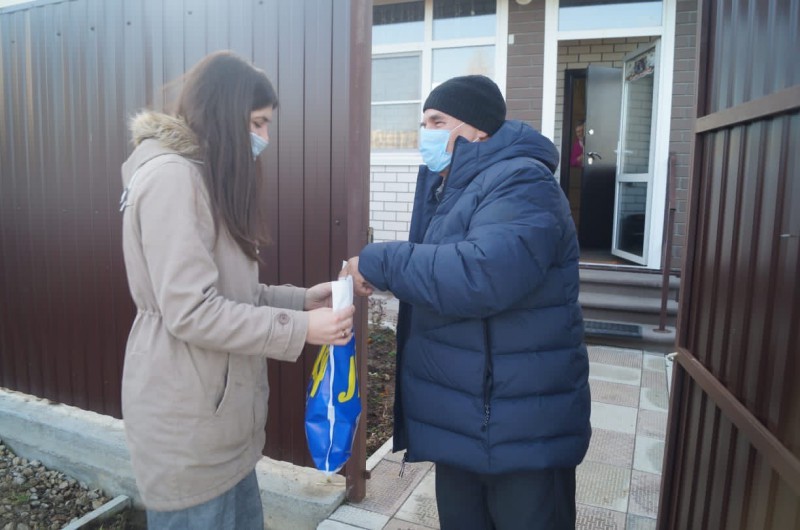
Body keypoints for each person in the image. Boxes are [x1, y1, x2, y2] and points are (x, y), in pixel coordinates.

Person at [119, 51, 355, 529]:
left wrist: (300, 301)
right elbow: (192, 312)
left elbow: (230, 293)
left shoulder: (200, 177)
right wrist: (301, 328)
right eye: (257, 123)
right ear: (224, 114)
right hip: (188, 424)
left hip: (218, 426)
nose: (264, 138)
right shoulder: (173, 179)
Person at [343, 75, 591, 529]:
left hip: (522, 428)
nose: (426, 133)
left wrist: (381, 262)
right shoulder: (451, 185)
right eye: (424, 123)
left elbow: (481, 274)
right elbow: (440, 274)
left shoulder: (522, 180)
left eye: (438, 122)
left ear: (478, 129)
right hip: (467, 422)